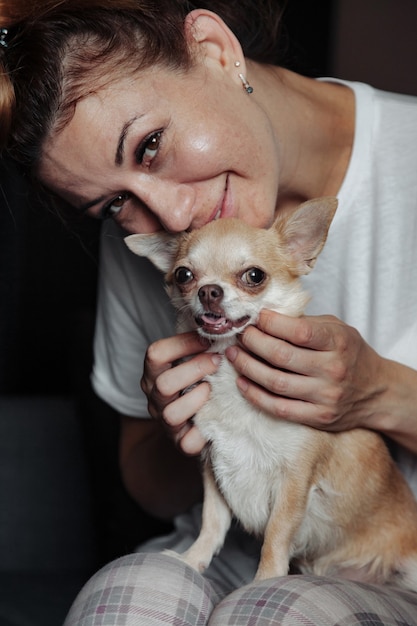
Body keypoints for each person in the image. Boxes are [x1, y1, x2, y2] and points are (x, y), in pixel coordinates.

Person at [1, 1, 417, 623]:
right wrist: (185, 426)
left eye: (149, 147)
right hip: (227, 546)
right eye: (115, 204)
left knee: (272, 611)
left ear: (216, 51)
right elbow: (146, 478)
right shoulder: (158, 250)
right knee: (120, 606)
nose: (167, 216)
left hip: (388, 554)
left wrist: (382, 394)